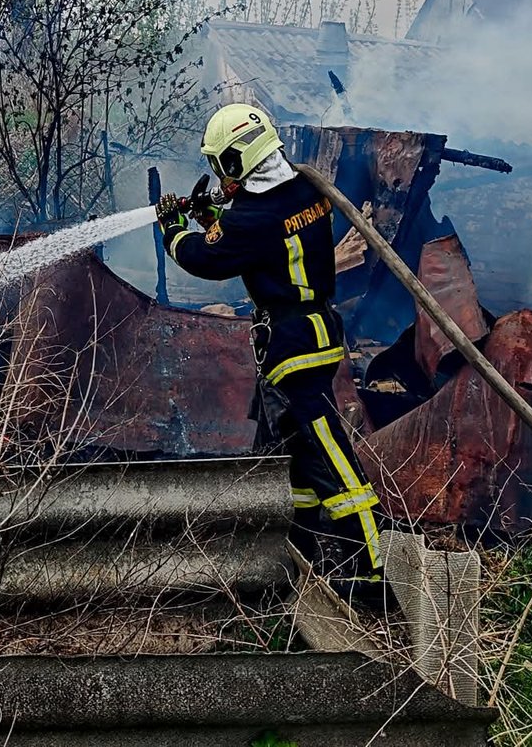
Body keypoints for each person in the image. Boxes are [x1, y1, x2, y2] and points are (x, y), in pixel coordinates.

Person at [155, 102, 383, 601]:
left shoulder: (250, 221)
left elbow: (205, 257)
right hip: (318, 332)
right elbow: (261, 231)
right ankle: (300, 551)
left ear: (236, 161)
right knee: (297, 459)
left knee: (332, 461)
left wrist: (173, 229)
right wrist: (212, 213)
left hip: (292, 347)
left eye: (221, 166)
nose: (219, 176)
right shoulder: (306, 190)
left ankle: (371, 576)